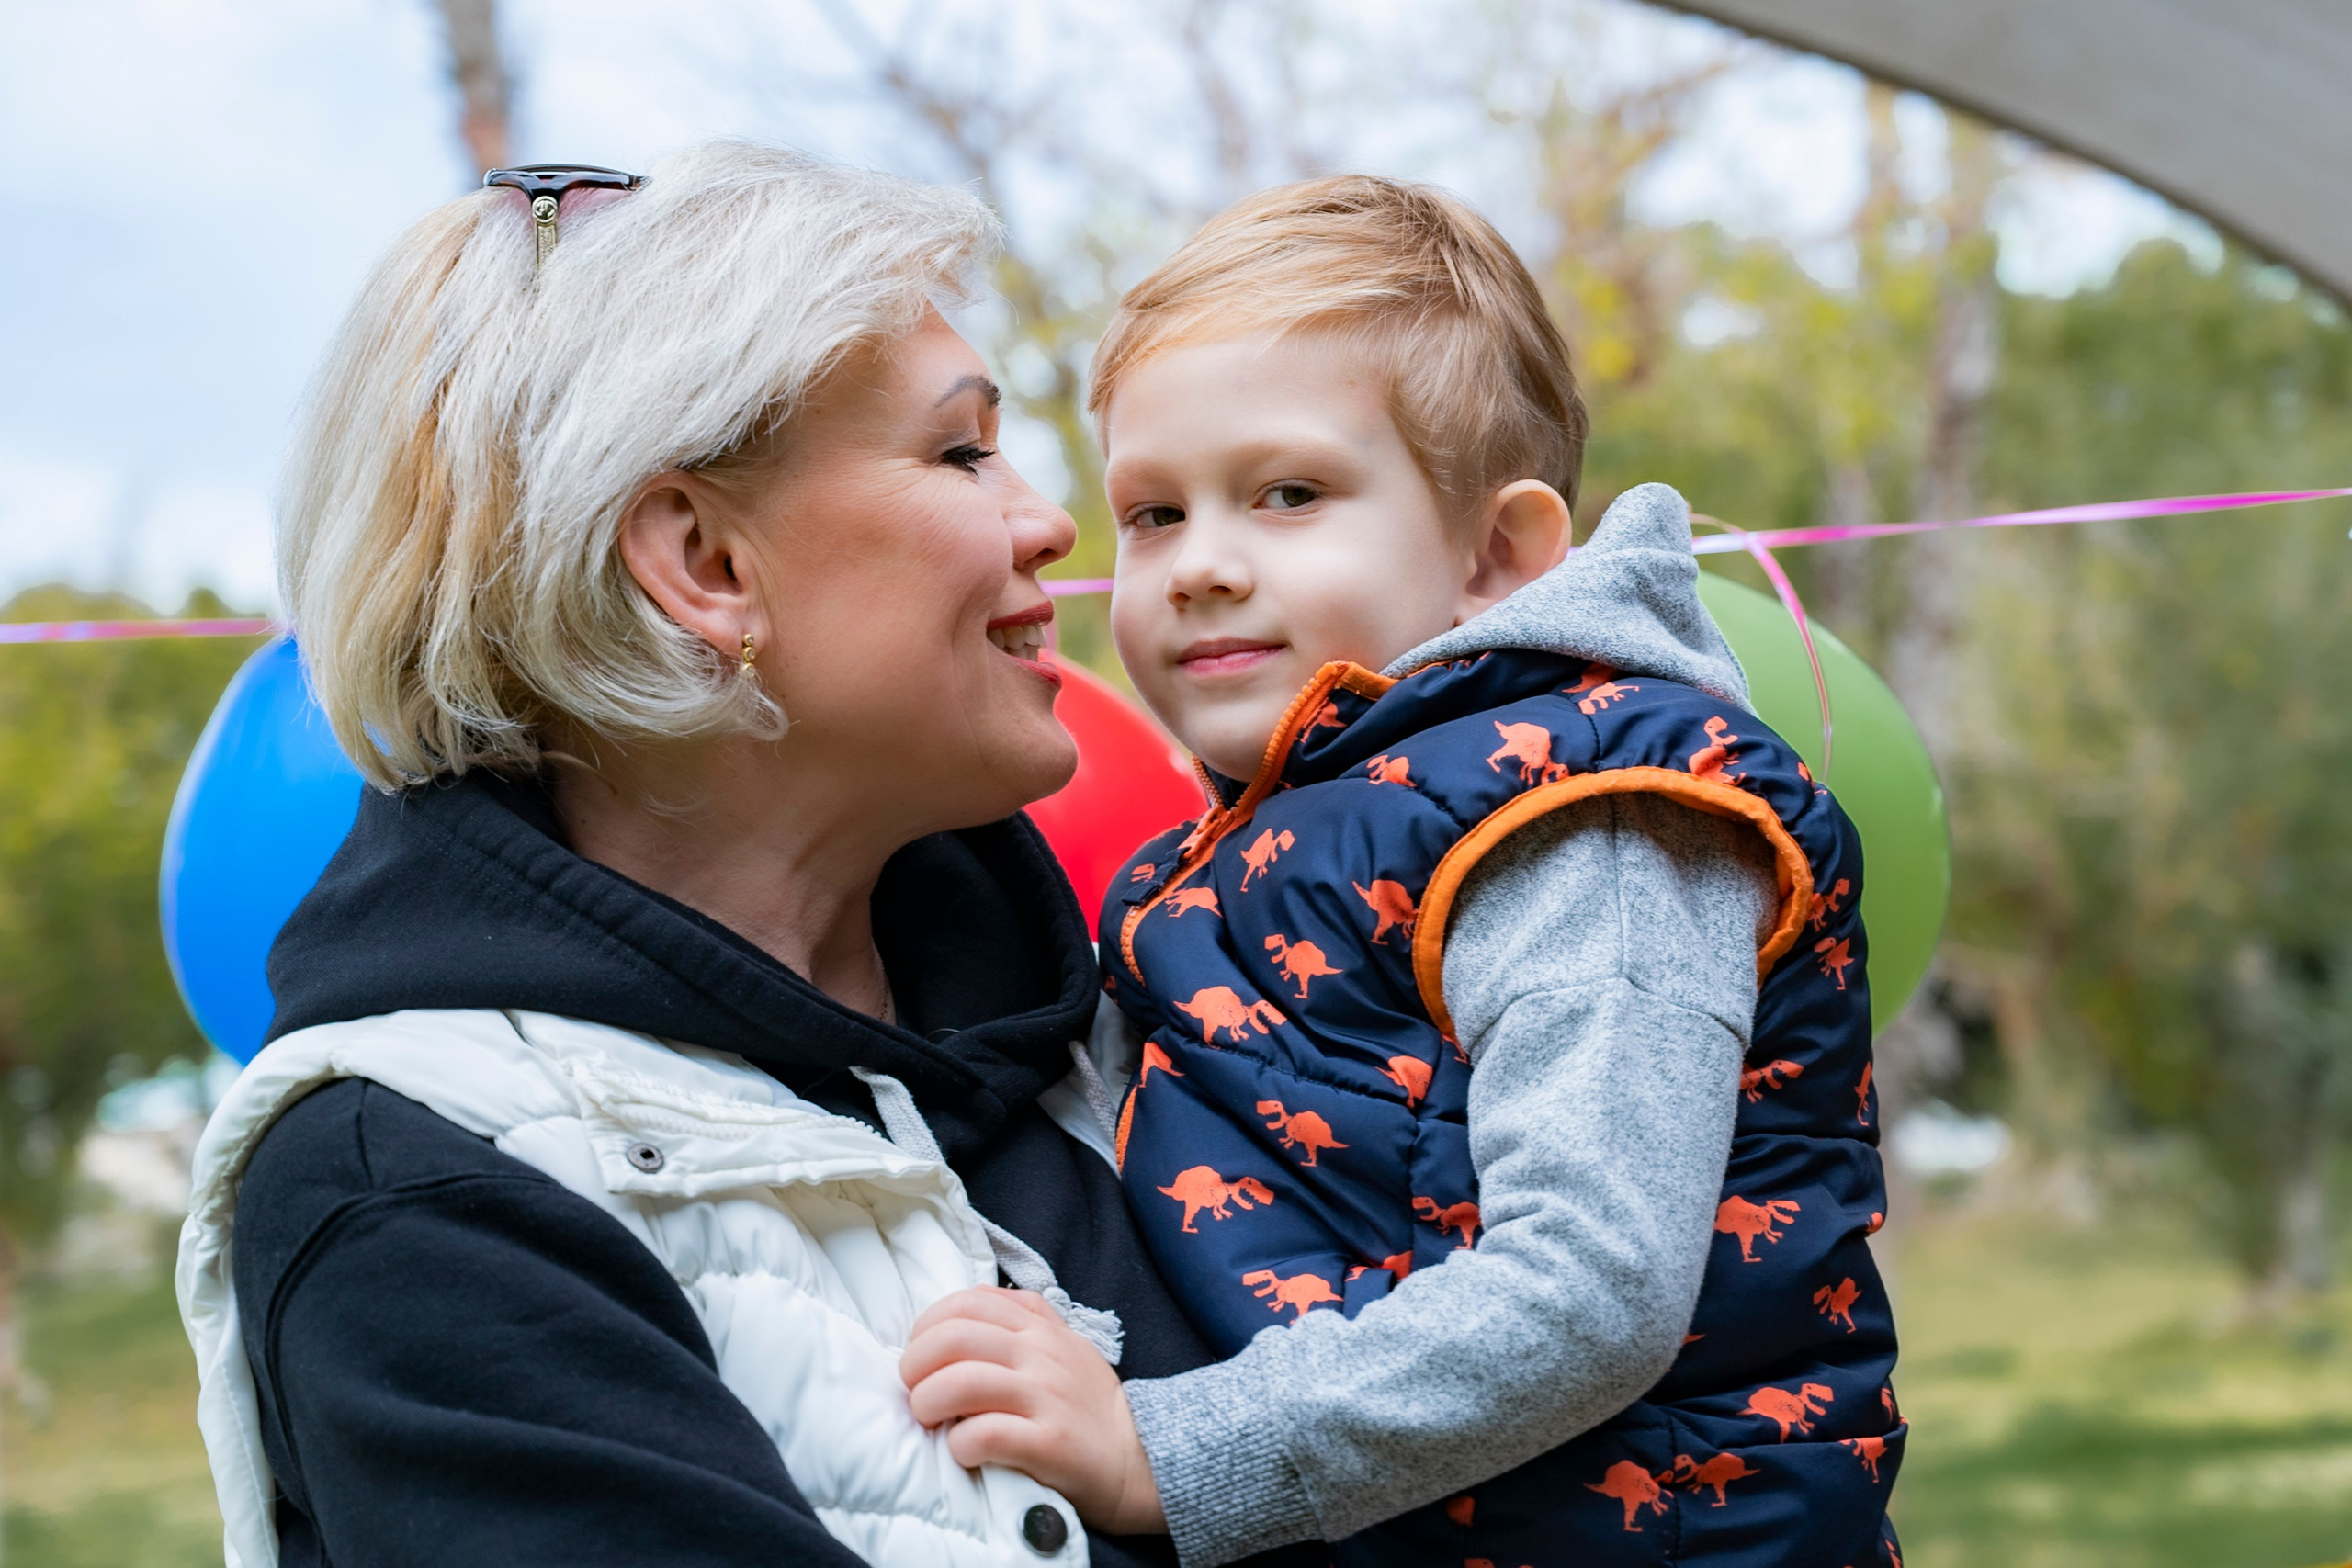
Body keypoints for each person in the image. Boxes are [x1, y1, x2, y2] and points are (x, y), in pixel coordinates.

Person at [175, 141, 1238, 1568]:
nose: (1049, 522)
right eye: (962, 449)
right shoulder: (415, 1191)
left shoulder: (1163, 999)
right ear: (705, 565)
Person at [902, 177, 1903, 1566]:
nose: (1198, 567)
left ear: (1497, 554)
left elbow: (1593, 1286)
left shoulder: (1583, 812)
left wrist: (1170, 1451)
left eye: (1287, 493)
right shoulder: (1239, 853)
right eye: (1151, 514)